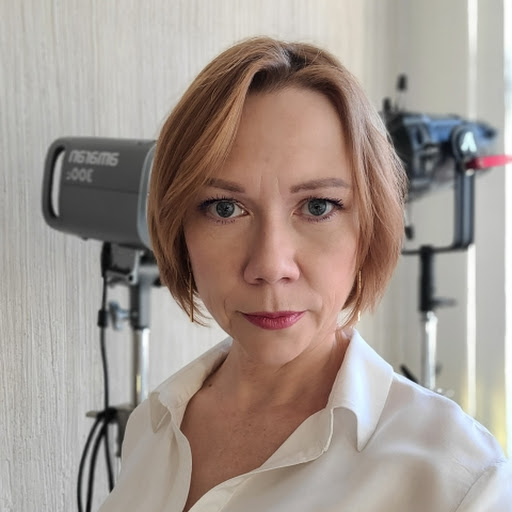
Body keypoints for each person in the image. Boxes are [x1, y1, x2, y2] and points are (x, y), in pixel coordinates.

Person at [99, 37, 511, 511]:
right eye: (225, 207)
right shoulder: (152, 426)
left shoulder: (458, 482)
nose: (270, 266)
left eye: (318, 207)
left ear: (370, 225)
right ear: (178, 227)